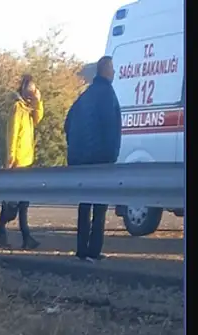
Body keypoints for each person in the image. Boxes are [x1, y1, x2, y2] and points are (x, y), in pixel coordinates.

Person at [65, 56, 122, 262]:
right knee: (100, 206)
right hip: (101, 159)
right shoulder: (108, 94)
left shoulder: (85, 95)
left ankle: (82, 250)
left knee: (85, 203)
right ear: (106, 70)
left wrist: (76, 149)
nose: (114, 73)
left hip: (81, 159)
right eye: (113, 69)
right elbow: (111, 128)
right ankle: (94, 250)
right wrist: (111, 155)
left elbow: (68, 123)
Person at [0, 74, 45, 250]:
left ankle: (12, 234)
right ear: (23, 90)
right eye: (29, 89)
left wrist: (38, 102)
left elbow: (39, 118)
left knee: (20, 201)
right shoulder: (17, 107)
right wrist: (11, 158)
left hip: (27, 159)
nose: (31, 93)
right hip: (18, 162)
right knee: (16, 201)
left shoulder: (29, 109)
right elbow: (13, 134)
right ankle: (16, 234)